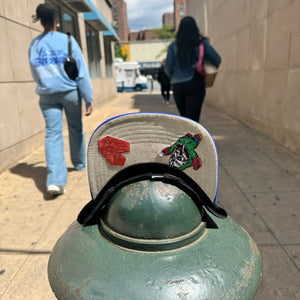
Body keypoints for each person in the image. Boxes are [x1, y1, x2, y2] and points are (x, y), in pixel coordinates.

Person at [29, 4, 93, 196]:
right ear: (56, 20)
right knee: (75, 128)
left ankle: (55, 181)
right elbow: (81, 72)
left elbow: (34, 71)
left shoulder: (34, 45)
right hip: (70, 92)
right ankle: (80, 163)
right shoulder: (68, 40)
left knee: (53, 134)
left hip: (47, 94)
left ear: (40, 21)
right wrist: (88, 98)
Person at [164, 16, 221, 122]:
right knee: (194, 120)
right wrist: (204, 63)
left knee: (185, 120)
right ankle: (194, 138)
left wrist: (175, 75)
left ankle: (186, 138)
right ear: (195, 28)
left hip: (178, 86)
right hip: (195, 83)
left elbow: (167, 69)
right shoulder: (201, 43)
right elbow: (217, 59)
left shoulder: (173, 46)